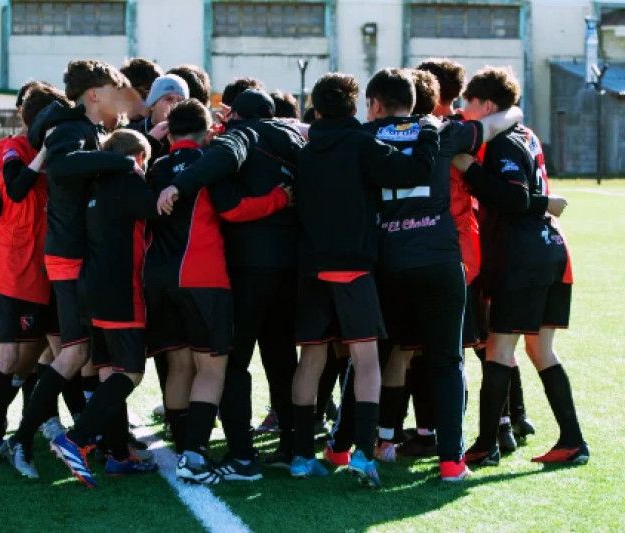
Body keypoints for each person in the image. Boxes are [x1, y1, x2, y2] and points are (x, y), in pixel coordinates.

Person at [290, 72, 440, 487]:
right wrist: (427, 134)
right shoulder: (361, 143)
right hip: (354, 266)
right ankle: (362, 454)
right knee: (367, 360)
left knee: (312, 360)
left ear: (316, 108)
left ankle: (301, 456)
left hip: (312, 267)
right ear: (356, 107)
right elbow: (412, 172)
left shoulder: (305, 151)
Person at [0, 59, 140, 480]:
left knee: (98, 358)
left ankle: (114, 451)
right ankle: (21, 438)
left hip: (86, 256)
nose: (123, 99)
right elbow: (60, 166)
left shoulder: (95, 131)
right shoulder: (70, 129)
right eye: (116, 91)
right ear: (94, 95)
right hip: (70, 257)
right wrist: (122, 164)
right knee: (76, 353)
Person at [156, 89, 301, 480]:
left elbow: (230, 202)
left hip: (244, 267)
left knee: (232, 362)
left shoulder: (239, 137)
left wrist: (180, 184)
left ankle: (240, 455)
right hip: (291, 265)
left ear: (237, 115)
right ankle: (296, 447)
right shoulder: (295, 141)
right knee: (283, 358)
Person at [454, 66, 588, 467]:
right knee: (539, 348)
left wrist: (470, 171)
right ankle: (572, 440)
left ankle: (486, 444)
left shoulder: (502, 143)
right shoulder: (526, 134)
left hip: (523, 256)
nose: (463, 111)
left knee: (499, 347)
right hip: (550, 251)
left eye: (469, 103)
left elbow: (514, 197)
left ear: (488, 105)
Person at [418, 58, 535, 452]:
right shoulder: (473, 130)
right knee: (485, 343)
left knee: (430, 350)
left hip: (433, 249)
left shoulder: (439, 128)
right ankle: (507, 421)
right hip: (471, 248)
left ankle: (426, 433)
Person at [50, 129, 160, 487]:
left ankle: (117, 455)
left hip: (91, 290)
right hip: (120, 291)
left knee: (108, 372)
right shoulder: (129, 182)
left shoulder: (95, 185)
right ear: (138, 159)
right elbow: (160, 209)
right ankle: (76, 439)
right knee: (130, 373)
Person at [0, 82, 67, 462]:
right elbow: (10, 190)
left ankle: (36, 420)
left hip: (51, 267)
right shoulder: (12, 148)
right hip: (15, 268)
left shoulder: (60, 148)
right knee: (14, 356)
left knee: (45, 352)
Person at [145, 99, 234, 484]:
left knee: (179, 365)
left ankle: (183, 447)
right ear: (208, 130)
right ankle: (195, 455)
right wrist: (281, 197)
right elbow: (235, 211)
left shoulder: (156, 167)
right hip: (202, 275)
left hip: (158, 277)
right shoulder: (210, 164)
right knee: (211, 366)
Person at [129, 74, 189, 165]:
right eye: (169, 99)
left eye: (181, 101)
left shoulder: (190, 133)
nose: (175, 106)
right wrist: (150, 141)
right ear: (153, 105)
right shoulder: (132, 132)